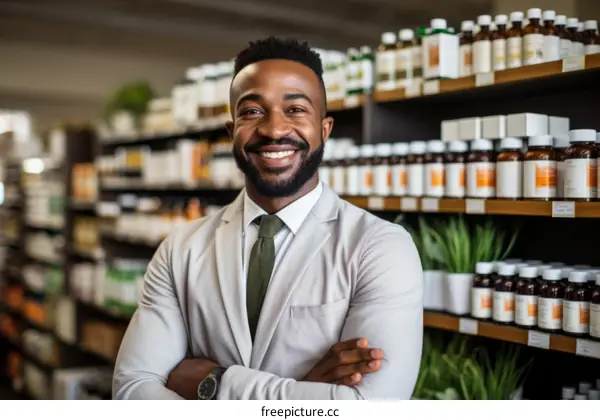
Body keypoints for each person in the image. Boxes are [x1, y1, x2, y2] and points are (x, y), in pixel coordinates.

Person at [113, 36, 423, 400]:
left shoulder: (380, 247)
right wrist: (305, 390)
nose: (274, 129)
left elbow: (370, 406)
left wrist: (214, 382)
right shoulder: (180, 249)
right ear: (232, 133)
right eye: (252, 111)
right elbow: (133, 390)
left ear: (324, 130)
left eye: (295, 110)